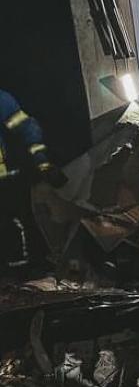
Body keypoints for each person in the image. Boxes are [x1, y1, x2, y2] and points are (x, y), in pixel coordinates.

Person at [0, 88, 65, 271]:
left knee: (29, 220)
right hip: (7, 180)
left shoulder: (1, 101)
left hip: (7, 181)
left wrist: (42, 163)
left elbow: (27, 130)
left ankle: (38, 268)